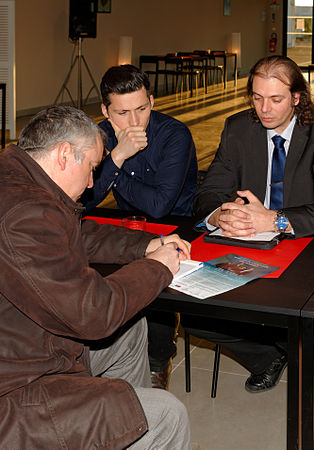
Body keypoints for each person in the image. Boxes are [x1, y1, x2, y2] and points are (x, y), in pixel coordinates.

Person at [0, 106, 192, 448]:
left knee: (131, 328)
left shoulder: (19, 183)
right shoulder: (23, 214)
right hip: (16, 388)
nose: (92, 184)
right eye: (90, 167)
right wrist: (158, 267)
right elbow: (94, 314)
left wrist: (148, 244)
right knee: (166, 414)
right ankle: (115, 422)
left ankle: (117, 432)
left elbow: (74, 233)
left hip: (25, 346)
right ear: (63, 155)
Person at [189, 55, 314, 392]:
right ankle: (268, 354)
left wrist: (274, 220)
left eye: (276, 99)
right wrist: (222, 215)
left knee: (300, 319)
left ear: (296, 98)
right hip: (244, 242)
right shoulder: (238, 128)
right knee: (191, 311)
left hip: (304, 246)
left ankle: (285, 337)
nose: (265, 109)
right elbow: (210, 191)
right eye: (257, 97)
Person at [82, 64, 198, 389]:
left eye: (141, 109)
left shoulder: (175, 135)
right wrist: (117, 157)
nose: (134, 122)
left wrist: (112, 173)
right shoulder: (99, 138)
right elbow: (82, 203)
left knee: (153, 280)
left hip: (176, 230)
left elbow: (160, 206)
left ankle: (157, 362)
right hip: (126, 229)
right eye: (122, 113)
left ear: (152, 101)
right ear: (105, 111)